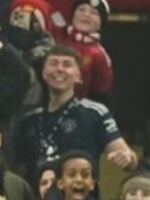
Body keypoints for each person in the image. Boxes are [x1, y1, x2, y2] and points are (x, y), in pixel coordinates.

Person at [15, 45, 137, 181]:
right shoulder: (29, 119)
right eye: (53, 63)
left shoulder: (94, 113)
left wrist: (128, 159)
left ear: (78, 76)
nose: (59, 69)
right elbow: (19, 169)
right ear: (43, 73)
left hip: (81, 192)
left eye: (67, 65)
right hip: (38, 193)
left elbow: (129, 159)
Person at [59, 0, 112, 103]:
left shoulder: (99, 54)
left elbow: (102, 90)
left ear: (101, 23)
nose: (86, 15)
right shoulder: (58, 39)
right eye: (81, 9)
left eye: (94, 12)